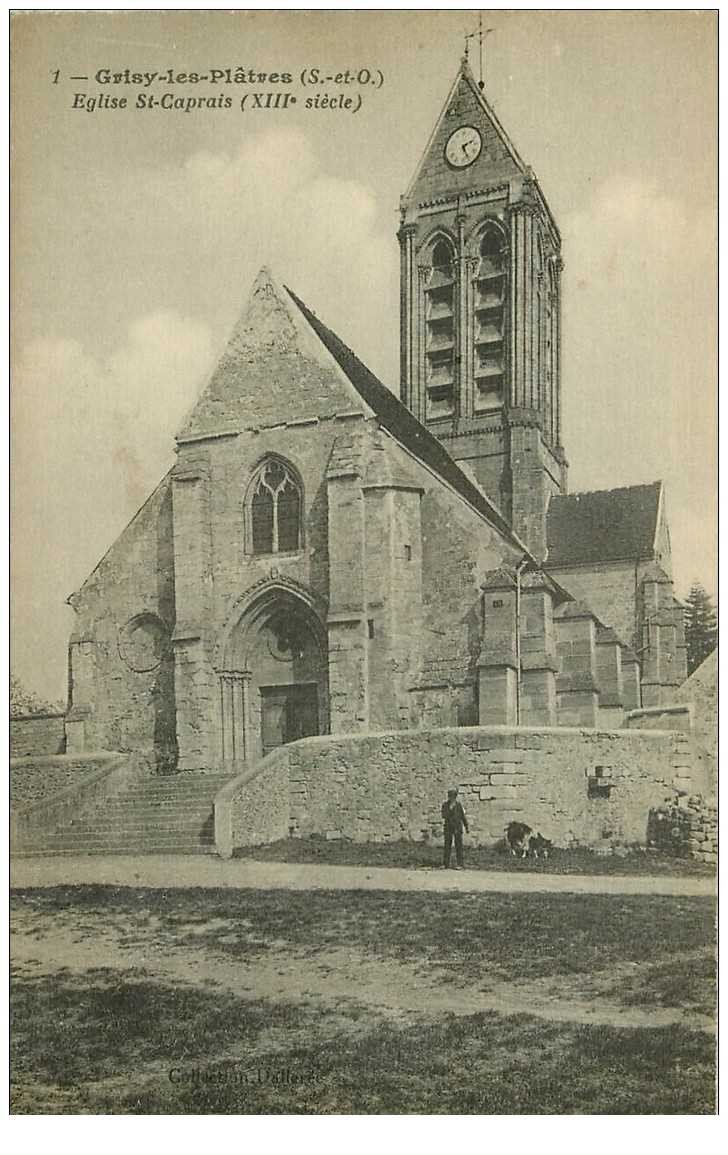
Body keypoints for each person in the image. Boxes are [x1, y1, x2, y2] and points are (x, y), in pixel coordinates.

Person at [441, 788, 469, 869]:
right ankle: (446, 864)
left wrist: (466, 826)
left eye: (453, 796)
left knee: (459, 846)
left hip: (457, 828)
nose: (451, 798)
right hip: (448, 828)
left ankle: (460, 864)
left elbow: (463, 817)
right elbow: (444, 815)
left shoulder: (459, 805)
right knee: (447, 846)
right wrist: (450, 809)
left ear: (455, 797)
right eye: (450, 796)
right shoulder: (445, 805)